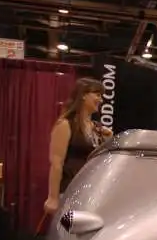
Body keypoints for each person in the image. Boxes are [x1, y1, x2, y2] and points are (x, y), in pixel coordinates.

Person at [43, 78, 112, 215]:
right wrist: (53, 198)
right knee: (68, 226)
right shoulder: (65, 124)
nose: (101, 100)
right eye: (97, 95)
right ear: (84, 95)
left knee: (87, 227)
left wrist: (109, 137)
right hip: (69, 193)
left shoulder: (97, 128)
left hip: (90, 193)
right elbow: (56, 163)